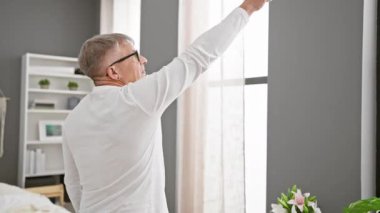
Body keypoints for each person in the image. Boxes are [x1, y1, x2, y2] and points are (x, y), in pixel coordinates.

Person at [62, 0, 267, 212]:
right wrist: (248, 8)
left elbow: (73, 184)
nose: (144, 60)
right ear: (113, 72)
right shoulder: (136, 99)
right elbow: (197, 57)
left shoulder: (72, 120)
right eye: (134, 55)